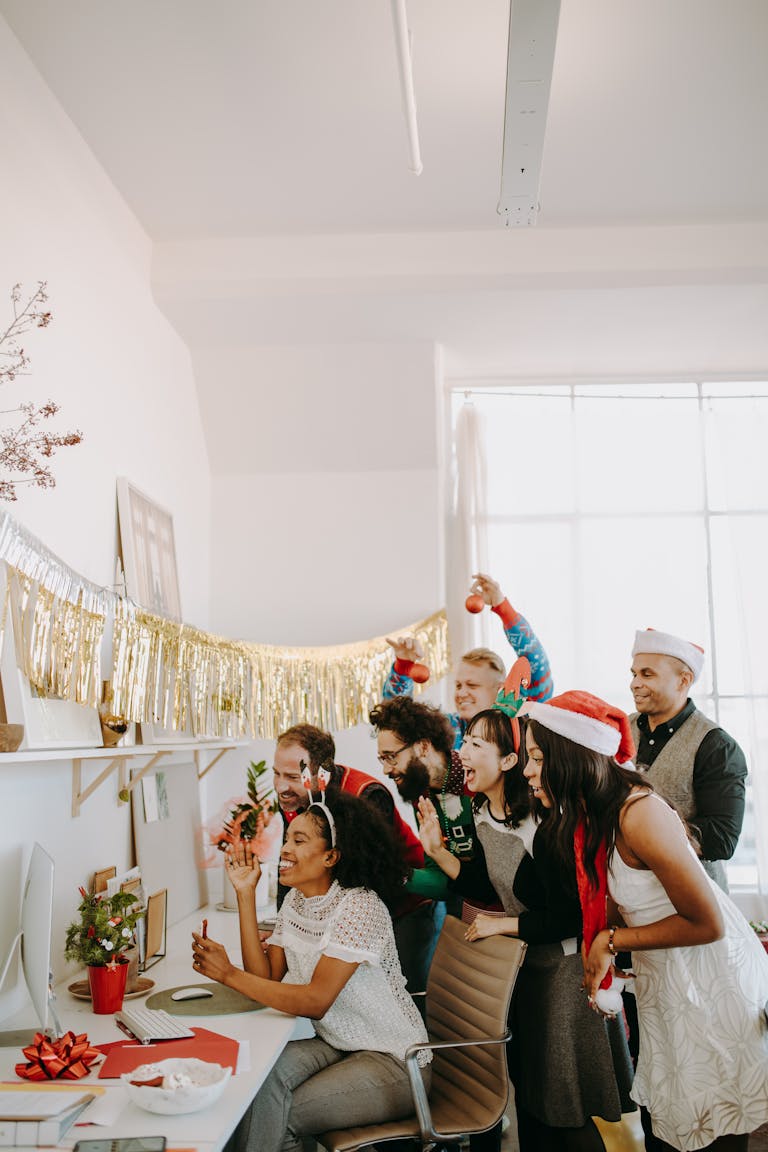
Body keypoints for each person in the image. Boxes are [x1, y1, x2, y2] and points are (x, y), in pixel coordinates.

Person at [525, 690, 768, 1152]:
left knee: (710, 1134)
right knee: (668, 1129)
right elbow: (614, 895)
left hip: (707, 987)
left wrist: (609, 941)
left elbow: (706, 923)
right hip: (667, 986)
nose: (527, 771)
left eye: (537, 757)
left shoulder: (640, 814)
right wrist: (603, 939)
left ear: (572, 756)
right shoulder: (593, 814)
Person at [420, 700, 634, 1152]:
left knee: (565, 1109)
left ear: (509, 761)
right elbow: (483, 881)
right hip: (525, 968)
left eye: (475, 743)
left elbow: (570, 915)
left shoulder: (542, 821)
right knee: (533, 1100)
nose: (462, 751)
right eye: (464, 740)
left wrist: (502, 925)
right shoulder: (481, 813)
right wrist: (439, 853)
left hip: (563, 972)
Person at [192, 791, 430, 1152]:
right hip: (340, 1043)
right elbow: (267, 980)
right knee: (256, 1081)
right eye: (287, 838)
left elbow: (316, 1000)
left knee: (280, 1114)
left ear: (331, 856)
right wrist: (244, 895)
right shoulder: (298, 900)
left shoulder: (359, 907)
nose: (285, 849)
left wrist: (228, 974)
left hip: (396, 1061)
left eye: (298, 841)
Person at [271, 723, 433, 997]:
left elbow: (369, 883)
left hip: (402, 905)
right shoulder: (293, 797)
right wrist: (284, 931)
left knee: (397, 994)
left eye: (291, 776)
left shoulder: (367, 795)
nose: (281, 786)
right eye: (276, 774)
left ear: (322, 773)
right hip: (351, 912)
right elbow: (293, 865)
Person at [629, 628, 747, 891]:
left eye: (647, 674)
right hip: (629, 897)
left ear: (683, 681)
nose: (635, 683)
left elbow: (721, 838)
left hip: (695, 901)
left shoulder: (717, 746)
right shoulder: (619, 730)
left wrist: (640, 837)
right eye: (634, 674)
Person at [384, 572, 553, 748]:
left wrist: (503, 607)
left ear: (499, 689)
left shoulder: (520, 720)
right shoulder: (449, 729)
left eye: (472, 685)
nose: (461, 693)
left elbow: (536, 664)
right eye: (458, 685)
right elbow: (395, 724)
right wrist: (403, 667)